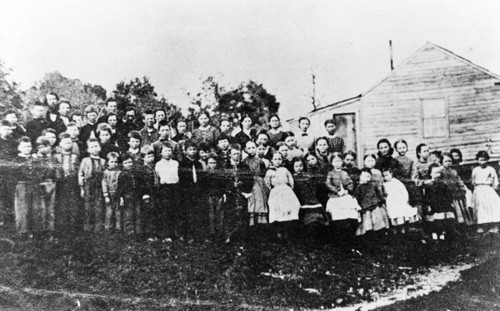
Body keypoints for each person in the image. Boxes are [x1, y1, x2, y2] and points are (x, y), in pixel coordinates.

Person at [265, 151, 301, 239]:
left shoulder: (284, 170)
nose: (277, 161)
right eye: (275, 159)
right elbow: (267, 183)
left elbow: (291, 179)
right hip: (276, 192)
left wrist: (289, 188)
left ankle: (287, 232)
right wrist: (273, 189)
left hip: (286, 191)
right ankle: (279, 232)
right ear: (271, 160)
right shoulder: (269, 171)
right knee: (278, 210)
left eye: (279, 159)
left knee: (289, 209)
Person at [222, 144, 254, 242]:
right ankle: (228, 236)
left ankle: (242, 236)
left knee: (242, 213)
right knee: (229, 214)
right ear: (230, 154)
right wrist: (228, 189)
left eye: (238, 154)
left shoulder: (244, 166)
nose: (237, 156)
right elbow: (222, 180)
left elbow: (249, 180)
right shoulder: (225, 166)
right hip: (230, 194)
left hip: (242, 193)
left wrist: (244, 188)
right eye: (234, 154)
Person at [325, 153, 360, 239]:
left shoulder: (345, 173)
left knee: (350, 212)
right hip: (335, 197)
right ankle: (340, 236)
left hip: (345, 195)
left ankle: (350, 234)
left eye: (339, 161)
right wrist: (337, 191)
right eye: (335, 161)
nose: (337, 163)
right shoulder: (330, 173)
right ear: (332, 163)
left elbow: (350, 182)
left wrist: (347, 190)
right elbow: (328, 184)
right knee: (337, 215)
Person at [291, 157, 329, 233]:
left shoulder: (308, 176)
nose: (299, 168)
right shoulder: (292, 177)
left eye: (301, 166)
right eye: (296, 166)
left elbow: (314, 188)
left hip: (310, 197)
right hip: (300, 198)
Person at [117, 154, 151, 235]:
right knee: (129, 215)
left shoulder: (137, 173)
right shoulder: (122, 174)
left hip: (137, 196)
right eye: (126, 163)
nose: (129, 164)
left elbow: (142, 184)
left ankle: (139, 232)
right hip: (127, 197)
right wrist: (121, 197)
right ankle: (130, 232)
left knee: (138, 214)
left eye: (130, 162)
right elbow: (120, 188)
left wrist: (144, 193)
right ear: (122, 164)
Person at [54, 133, 81, 233]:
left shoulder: (75, 156)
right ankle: (62, 228)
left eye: (69, 143)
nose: (67, 145)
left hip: (72, 183)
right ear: (60, 144)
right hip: (60, 184)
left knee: (73, 204)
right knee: (62, 205)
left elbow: (78, 170)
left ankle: (73, 228)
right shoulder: (56, 156)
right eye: (65, 143)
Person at [32, 136, 59, 235]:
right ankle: (40, 231)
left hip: (51, 184)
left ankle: (50, 231)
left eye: (46, 146)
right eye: (41, 146)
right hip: (38, 185)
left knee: (50, 209)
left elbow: (57, 171)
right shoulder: (34, 159)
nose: (44, 148)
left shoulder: (53, 159)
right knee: (40, 208)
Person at [78, 138, 106, 232]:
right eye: (92, 147)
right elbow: (81, 174)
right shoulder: (85, 160)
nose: (94, 149)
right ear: (88, 149)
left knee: (99, 206)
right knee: (88, 206)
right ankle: (88, 228)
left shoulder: (103, 161)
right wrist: (82, 187)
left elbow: (105, 175)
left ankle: (98, 228)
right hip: (89, 185)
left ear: (100, 148)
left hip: (100, 185)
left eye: (96, 146)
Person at [383, 167, 420, 234]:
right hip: (391, 202)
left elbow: (404, 191)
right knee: (394, 215)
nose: (385, 177)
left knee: (401, 215)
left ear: (391, 174)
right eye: (384, 176)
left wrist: (406, 199)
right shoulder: (384, 184)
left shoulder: (397, 182)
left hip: (399, 201)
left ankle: (403, 231)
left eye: (387, 175)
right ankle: (396, 231)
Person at [179, 140, 203, 240]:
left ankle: (194, 235)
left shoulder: (198, 164)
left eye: (194, 149)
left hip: (196, 191)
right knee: (185, 213)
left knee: (195, 213)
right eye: (190, 150)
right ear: (185, 151)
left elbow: (201, 178)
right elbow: (181, 178)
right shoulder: (182, 164)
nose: (192, 152)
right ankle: (185, 234)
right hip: (186, 192)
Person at [155, 142, 180, 239]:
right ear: (161, 152)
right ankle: (166, 235)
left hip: (175, 188)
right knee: (165, 212)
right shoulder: (158, 164)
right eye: (165, 151)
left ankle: (175, 234)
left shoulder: (175, 163)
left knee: (175, 211)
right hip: (164, 189)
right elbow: (157, 177)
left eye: (170, 150)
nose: (168, 153)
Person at [441, 152, 473, 226]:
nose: (448, 163)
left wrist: (462, 190)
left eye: (449, 161)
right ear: (442, 162)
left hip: (458, 194)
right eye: (446, 161)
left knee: (462, 211)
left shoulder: (454, 171)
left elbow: (459, 181)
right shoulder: (441, 172)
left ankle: (464, 227)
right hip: (449, 195)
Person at [471, 150, 500, 233]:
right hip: (479, 189)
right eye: (480, 160)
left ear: (487, 160)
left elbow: (495, 181)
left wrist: (494, 188)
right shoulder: (475, 170)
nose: (482, 162)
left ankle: (494, 226)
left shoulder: (491, 169)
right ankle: (481, 226)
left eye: (484, 160)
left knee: (492, 206)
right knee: (480, 208)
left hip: (488, 189)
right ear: (477, 160)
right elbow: (473, 181)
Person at [425, 163, 456, 240]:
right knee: (435, 220)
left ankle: (443, 233)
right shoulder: (429, 185)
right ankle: (435, 233)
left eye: (438, 173)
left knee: (444, 220)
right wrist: (428, 204)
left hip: (443, 204)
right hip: (434, 205)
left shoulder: (443, 184)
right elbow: (427, 196)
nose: (437, 175)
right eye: (435, 173)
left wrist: (450, 202)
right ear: (430, 174)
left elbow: (448, 194)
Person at [13, 137, 37, 236]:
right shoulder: (16, 160)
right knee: (22, 209)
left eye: (29, 146)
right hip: (22, 185)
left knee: (34, 207)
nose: (27, 148)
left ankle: (32, 230)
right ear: (19, 147)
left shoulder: (34, 159)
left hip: (34, 185)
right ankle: (22, 231)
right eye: (25, 146)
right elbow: (14, 174)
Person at [243, 140, 268, 225]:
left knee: (260, 199)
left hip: (259, 182)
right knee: (251, 200)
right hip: (249, 182)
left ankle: (261, 220)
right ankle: (252, 221)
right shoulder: (244, 161)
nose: (251, 150)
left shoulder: (260, 161)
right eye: (249, 148)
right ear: (245, 150)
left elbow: (264, 173)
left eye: (253, 147)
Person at [102, 152, 121, 231]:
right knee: (109, 211)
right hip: (109, 193)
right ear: (108, 163)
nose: (114, 164)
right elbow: (104, 183)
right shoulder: (106, 172)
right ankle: (107, 227)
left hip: (118, 194)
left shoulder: (119, 172)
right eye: (112, 162)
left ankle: (118, 227)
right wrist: (106, 195)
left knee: (118, 211)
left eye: (116, 162)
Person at [412, 143, 431, 217]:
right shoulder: (416, 165)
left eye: (428, 151)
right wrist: (424, 182)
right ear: (419, 153)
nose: (427, 153)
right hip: (423, 190)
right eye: (424, 151)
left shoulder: (431, 163)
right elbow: (414, 179)